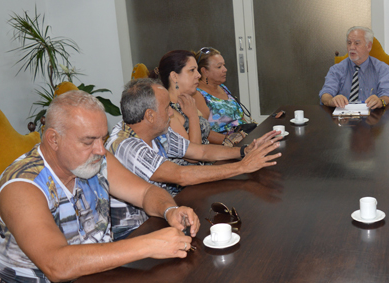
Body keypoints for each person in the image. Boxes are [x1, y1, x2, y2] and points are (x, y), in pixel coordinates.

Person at [0, 91, 199, 282]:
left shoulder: (92, 160)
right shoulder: (21, 186)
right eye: (88, 141)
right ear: (53, 139)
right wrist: (148, 245)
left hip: (101, 274)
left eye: (102, 138)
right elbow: (56, 264)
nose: (101, 150)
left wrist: (170, 210)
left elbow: (146, 192)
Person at [106, 78, 281, 239]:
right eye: (167, 108)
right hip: (134, 233)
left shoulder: (155, 131)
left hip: (161, 215)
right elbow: (180, 175)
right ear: (150, 116)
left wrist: (243, 152)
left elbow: (199, 152)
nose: (171, 114)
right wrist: (242, 167)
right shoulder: (125, 145)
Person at [150, 50, 227, 148]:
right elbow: (194, 153)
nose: (198, 75)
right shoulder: (167, 111)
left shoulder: (187, 101)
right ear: (174, 76)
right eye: (192, 70)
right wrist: (193, 116)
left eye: (197, 70)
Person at [319, 26, 389, 110]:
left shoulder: (383, 69)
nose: (351, 47)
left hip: (374, 119)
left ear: (369, 46)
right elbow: (325, 94)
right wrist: (331, 100)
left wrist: (380, 101)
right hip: (343, 119)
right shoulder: (337, 69)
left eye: (357, 43)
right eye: (349, 43)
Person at [193, 47, 252, 137]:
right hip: (226, 145)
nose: (225, 69)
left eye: (224, 65)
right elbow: (203, 132)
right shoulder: (197, 95)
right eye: (219, 67)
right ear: (205, 71)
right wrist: (232, 140)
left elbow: (240, 118)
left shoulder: (222, 87)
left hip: (243, 137)